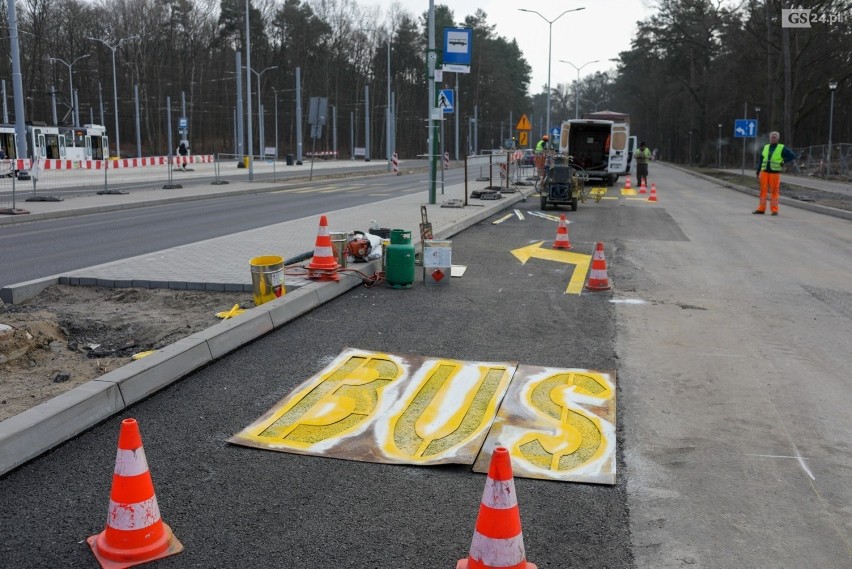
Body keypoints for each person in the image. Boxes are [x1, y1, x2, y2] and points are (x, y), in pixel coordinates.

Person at [754, 131, 796, 216]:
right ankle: (761, 209)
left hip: (774, 173)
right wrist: (758, 171)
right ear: (769, 138)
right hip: (764, 172)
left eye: (774, 137)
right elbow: (761, 160)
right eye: (771, 137)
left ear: (778, 138)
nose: (773, 139)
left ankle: (774, 210)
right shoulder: (765, 147)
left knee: (774, 191)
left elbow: (792, 155)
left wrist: (783, 161)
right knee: (763, 191)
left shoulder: (782, 147)